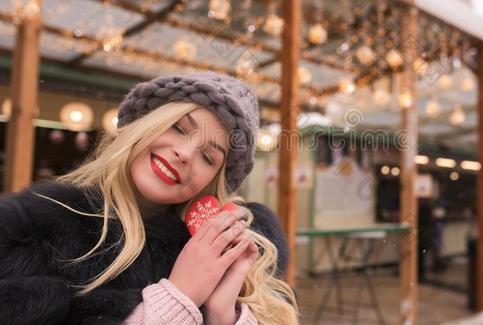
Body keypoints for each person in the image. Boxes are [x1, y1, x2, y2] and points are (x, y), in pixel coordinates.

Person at [0, 72, 299, 325]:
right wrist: (175, 300)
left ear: (213, 182)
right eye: (178, 128)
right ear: (143, 124)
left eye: (208, 157)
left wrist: (223, 315)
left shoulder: (222, 252)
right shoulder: (29, 228)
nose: (184, 153)